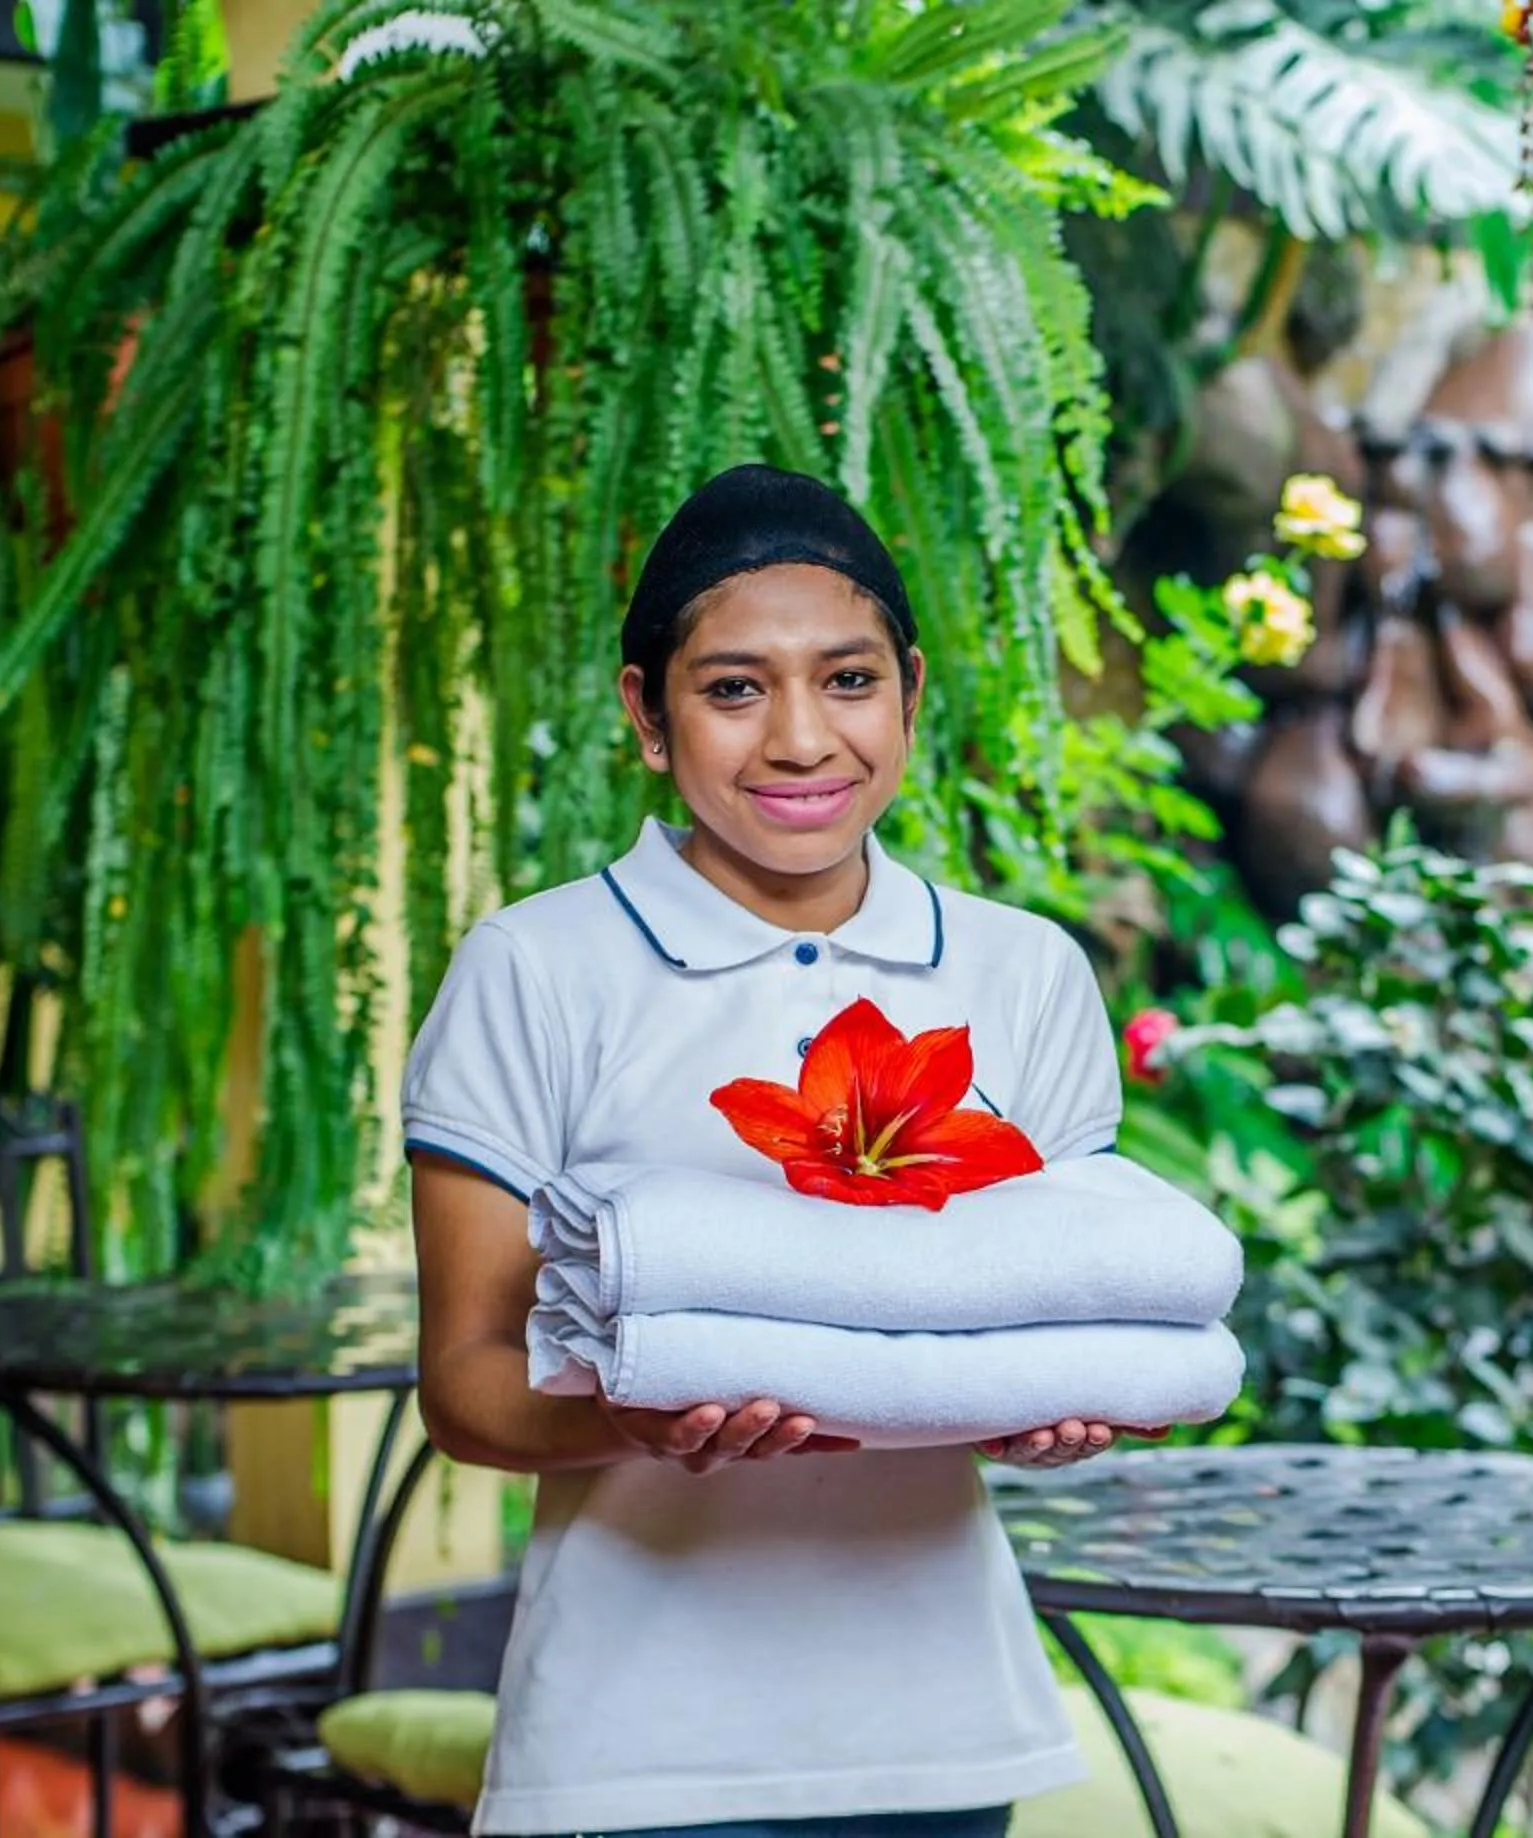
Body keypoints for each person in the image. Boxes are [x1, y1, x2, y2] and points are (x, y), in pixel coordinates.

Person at [403, 463, 1139, 1837]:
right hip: (629, 1747)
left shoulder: (1021, 972)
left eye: (849, 680)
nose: (802, 738)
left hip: (941, 1738)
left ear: (911, 691)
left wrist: (1058, 1408)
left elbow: (1055, 1309)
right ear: (646, 712)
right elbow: (465, 1387)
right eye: (735, 687)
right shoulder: (538, 967)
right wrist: (630, 1418)